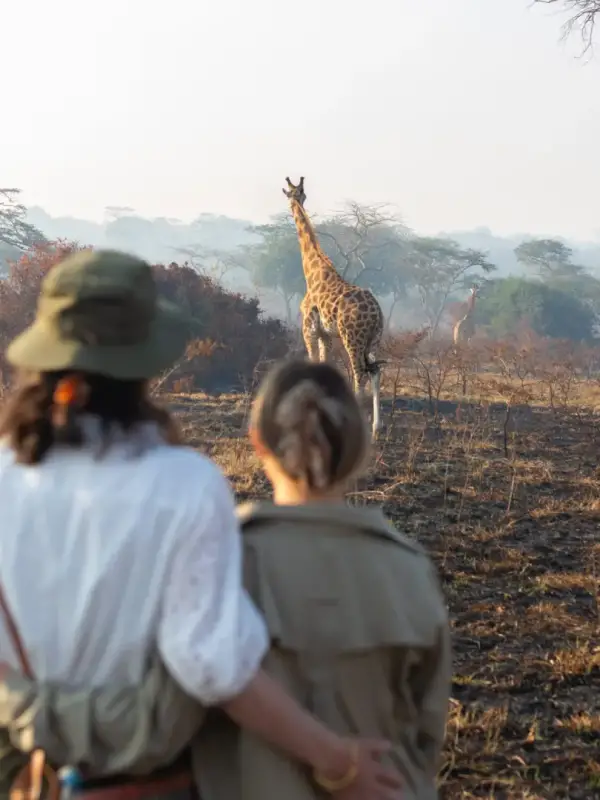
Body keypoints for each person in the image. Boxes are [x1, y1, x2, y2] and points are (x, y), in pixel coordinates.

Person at [0, 250, 403, 800]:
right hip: (148, 781)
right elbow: (212, 667)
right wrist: (336, 760)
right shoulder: (184, 484)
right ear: (148, 360)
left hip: (22, 771)